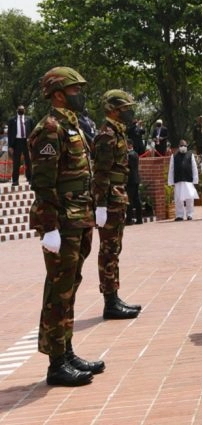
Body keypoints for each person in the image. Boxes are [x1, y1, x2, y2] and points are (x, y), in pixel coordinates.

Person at [29, 66, 104, 387]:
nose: (80, 94)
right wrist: (49, 228)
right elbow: (43, 184)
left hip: (79, 218)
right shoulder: (49, 129)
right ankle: (56, 363)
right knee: (58, 290)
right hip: (61, 221)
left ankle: (67, 350)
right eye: (75, 89)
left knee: (70, 286)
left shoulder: (71, 124)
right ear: (58, 93)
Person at [93, 89, 142, 320]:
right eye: (124, 108)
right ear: (113, 110)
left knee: (115, 250)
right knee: (109, 250)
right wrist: (100, 204)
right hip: (110, 198)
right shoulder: (107, 135)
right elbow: (101, 172)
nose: (129, 112)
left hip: (117, 195)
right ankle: (110, 302)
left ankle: (114, 296)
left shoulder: (118, 132)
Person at [167, 139, 199, 221]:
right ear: (178, 146)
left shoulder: (190, 155)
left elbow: (194, 168)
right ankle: (179, 215)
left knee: (189, 198)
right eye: (181, 145)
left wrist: (195, 180)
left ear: (187, 146)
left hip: (188, 180)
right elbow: (171, 170)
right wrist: (170, 182)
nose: (183, 147)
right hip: (178, 180)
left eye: (184, 145)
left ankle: (190, 214)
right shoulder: (173, 156)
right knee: (178, 199)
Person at [7, 105, 34, 186]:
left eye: (22, 109)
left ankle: (30, 179)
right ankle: (15, 180)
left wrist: (32, 142)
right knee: (16, 162)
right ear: (17, 110)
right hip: (16, 142)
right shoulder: (12, 120)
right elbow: (9, 133)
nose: (21, 110)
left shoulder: (29, 119)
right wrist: (10, 146)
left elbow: (33, 131)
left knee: (28, 161)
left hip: (27, 142)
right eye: (20, 109)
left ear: (24, 110)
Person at [126, 139, 144, 225]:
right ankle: (139, 219)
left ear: (129, 145)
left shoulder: (130, 155)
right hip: (135, 179)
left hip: (130, 180)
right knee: (136, 200)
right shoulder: (135, 153)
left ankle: (129, 219)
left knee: (129, 200)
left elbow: (127, 166)